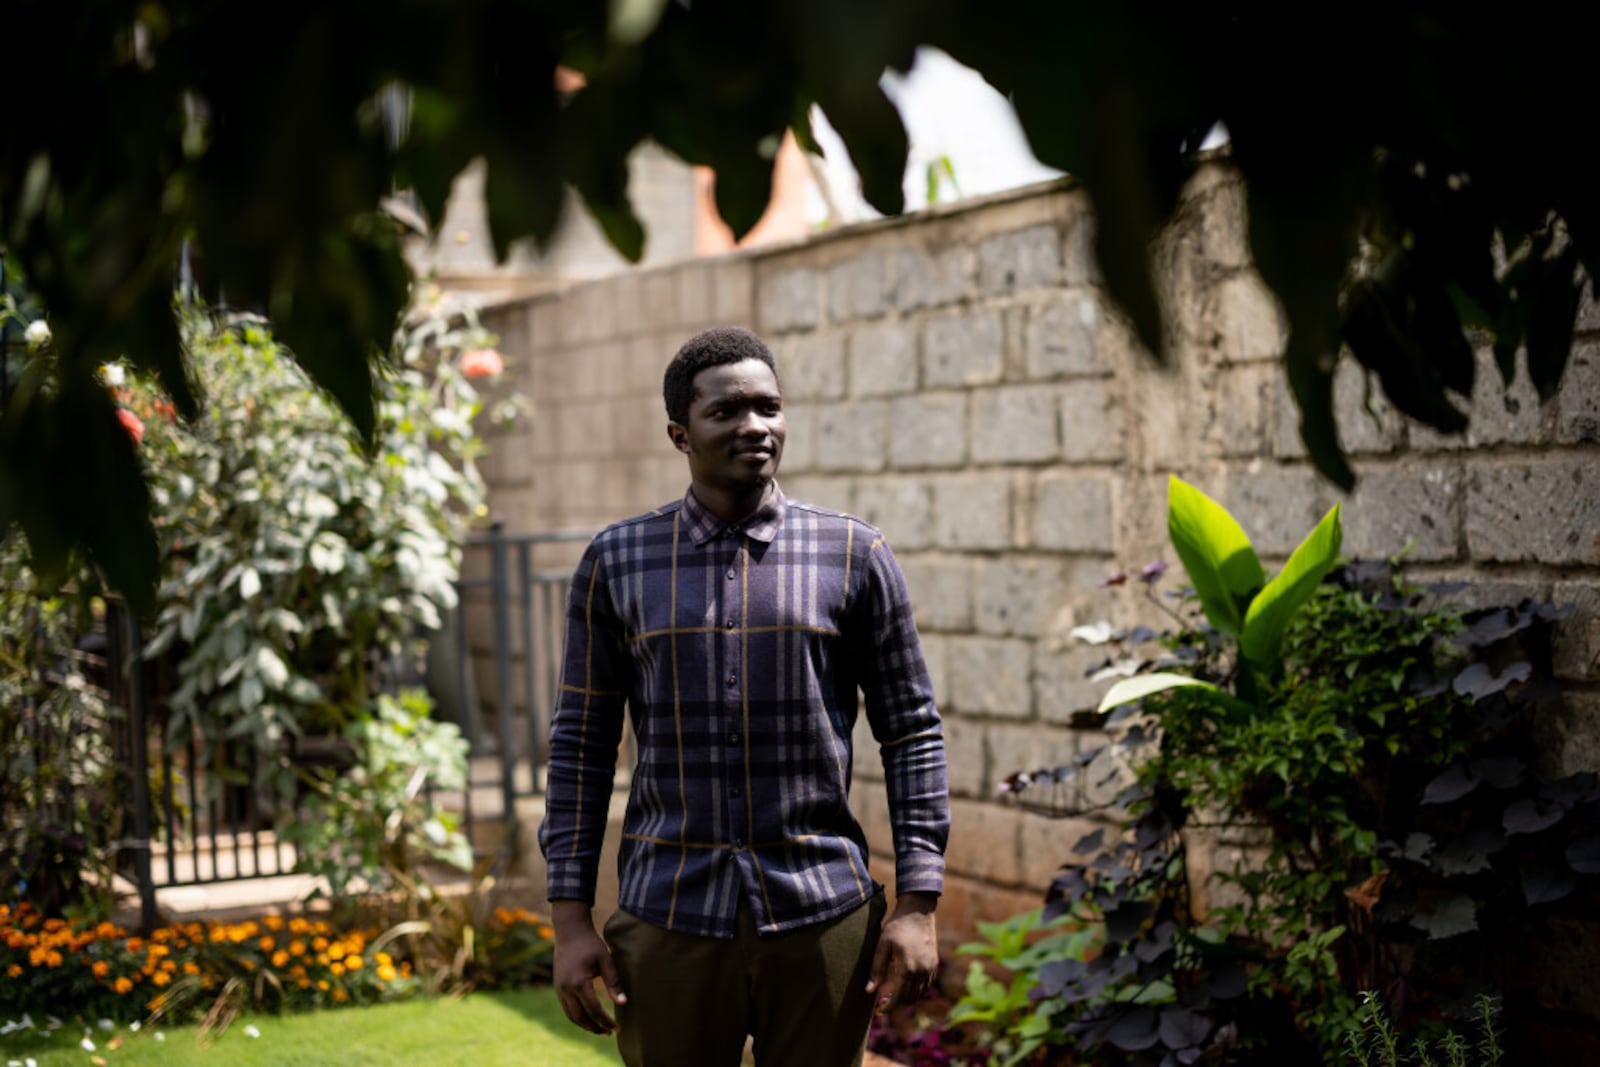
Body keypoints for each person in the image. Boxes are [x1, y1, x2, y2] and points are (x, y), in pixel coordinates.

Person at [538, 325, 951, 1067]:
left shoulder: (855, 553)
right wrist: (571, 921)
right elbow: (581, 745)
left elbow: (912, 730)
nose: (754, 426)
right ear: (679, 433)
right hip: (669, 914)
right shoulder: (618, 560)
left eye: (769, 407)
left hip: (823, 912)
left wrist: (918, 903)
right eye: (726, 410)